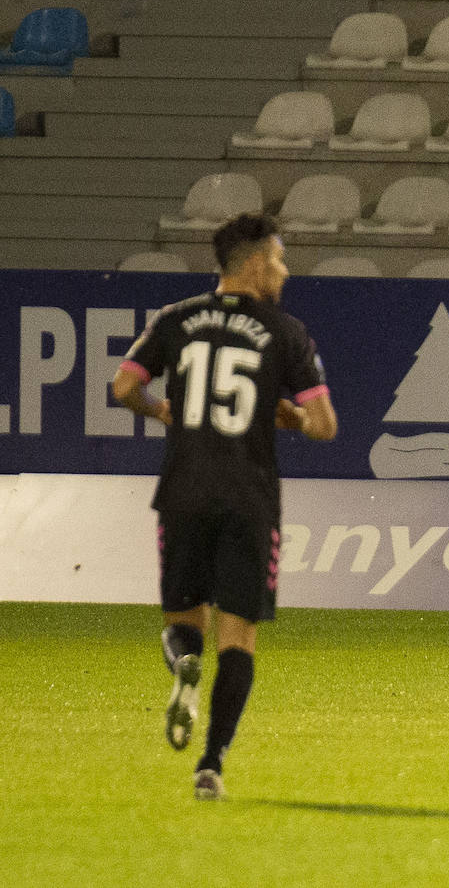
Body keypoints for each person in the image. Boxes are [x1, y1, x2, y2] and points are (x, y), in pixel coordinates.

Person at [111, 213, 338, 800]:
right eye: (281, 261)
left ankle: (185, 665)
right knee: (238, 635)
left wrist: (162, 411)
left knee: (183, 622)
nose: (285, 272)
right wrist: (283, 413)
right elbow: (323, 426)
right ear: (258, 263)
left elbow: (122, 386)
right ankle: (210, 764)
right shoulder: (286, 332)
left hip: (183, 492)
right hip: (248, 499)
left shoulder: (175, 319)